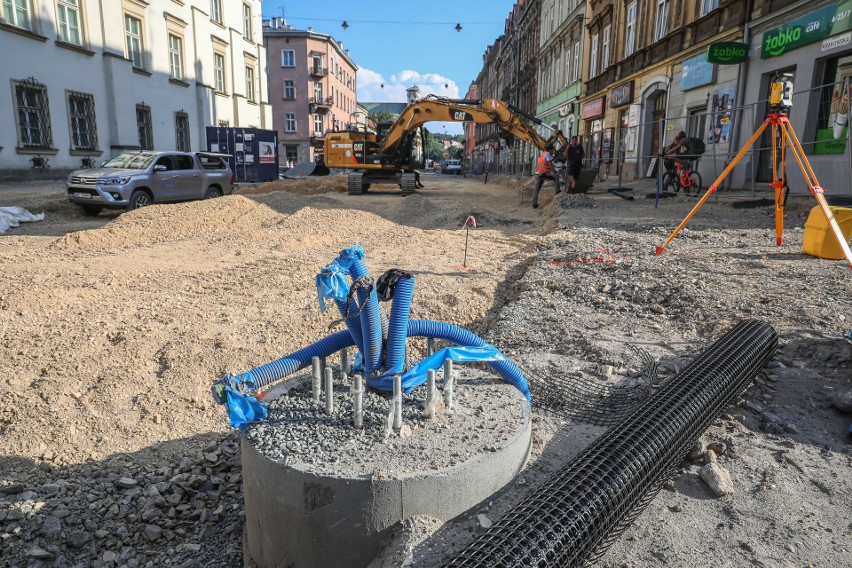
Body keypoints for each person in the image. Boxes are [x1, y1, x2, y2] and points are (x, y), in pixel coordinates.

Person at [532, 144, 561, 209]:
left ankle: (534, 204)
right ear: (550, 150)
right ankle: (558, 190)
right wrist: (555, 172)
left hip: (537, 174)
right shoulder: (548, 154)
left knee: (536, 189)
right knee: (556, 177)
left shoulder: (543, 154)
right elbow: (550, 164)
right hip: (543, 173)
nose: (553, 152)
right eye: (552, 150)